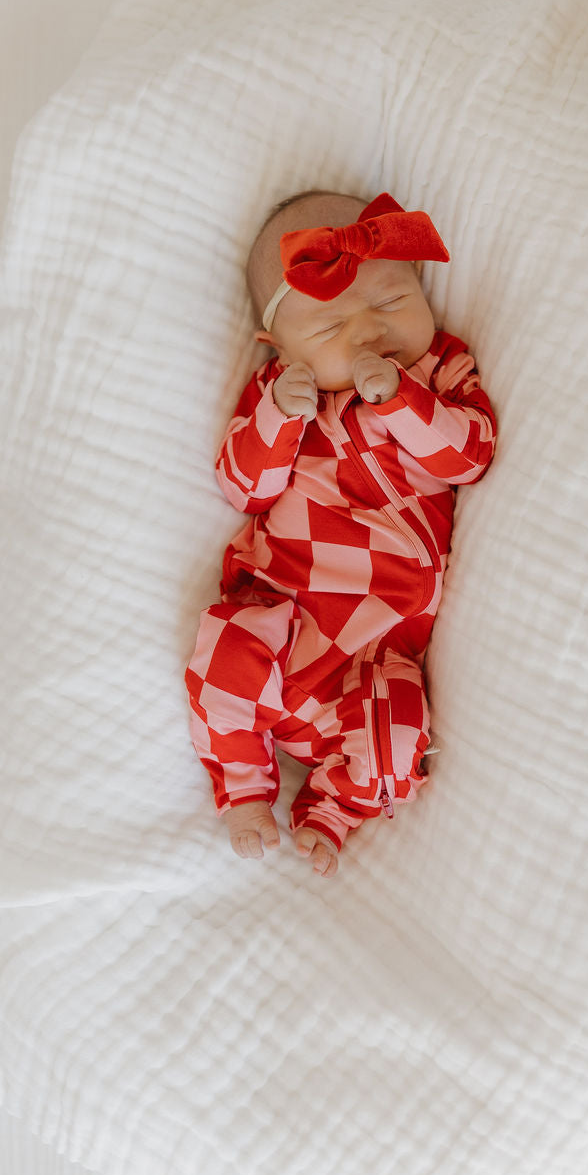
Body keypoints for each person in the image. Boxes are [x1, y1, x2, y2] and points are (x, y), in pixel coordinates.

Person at [185, 189, 497, 877]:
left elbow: (470, 456)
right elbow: (243, 486)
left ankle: (333, 806)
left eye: (391, 300)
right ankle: (243, 786)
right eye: (329, 327)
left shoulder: (438, 371)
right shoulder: (279, 394)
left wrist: (404, 401)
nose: (368, 332)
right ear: (280, 349)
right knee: (225, 644)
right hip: (286, 624)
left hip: (375, 658)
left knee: (402, 725)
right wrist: (278, 416)